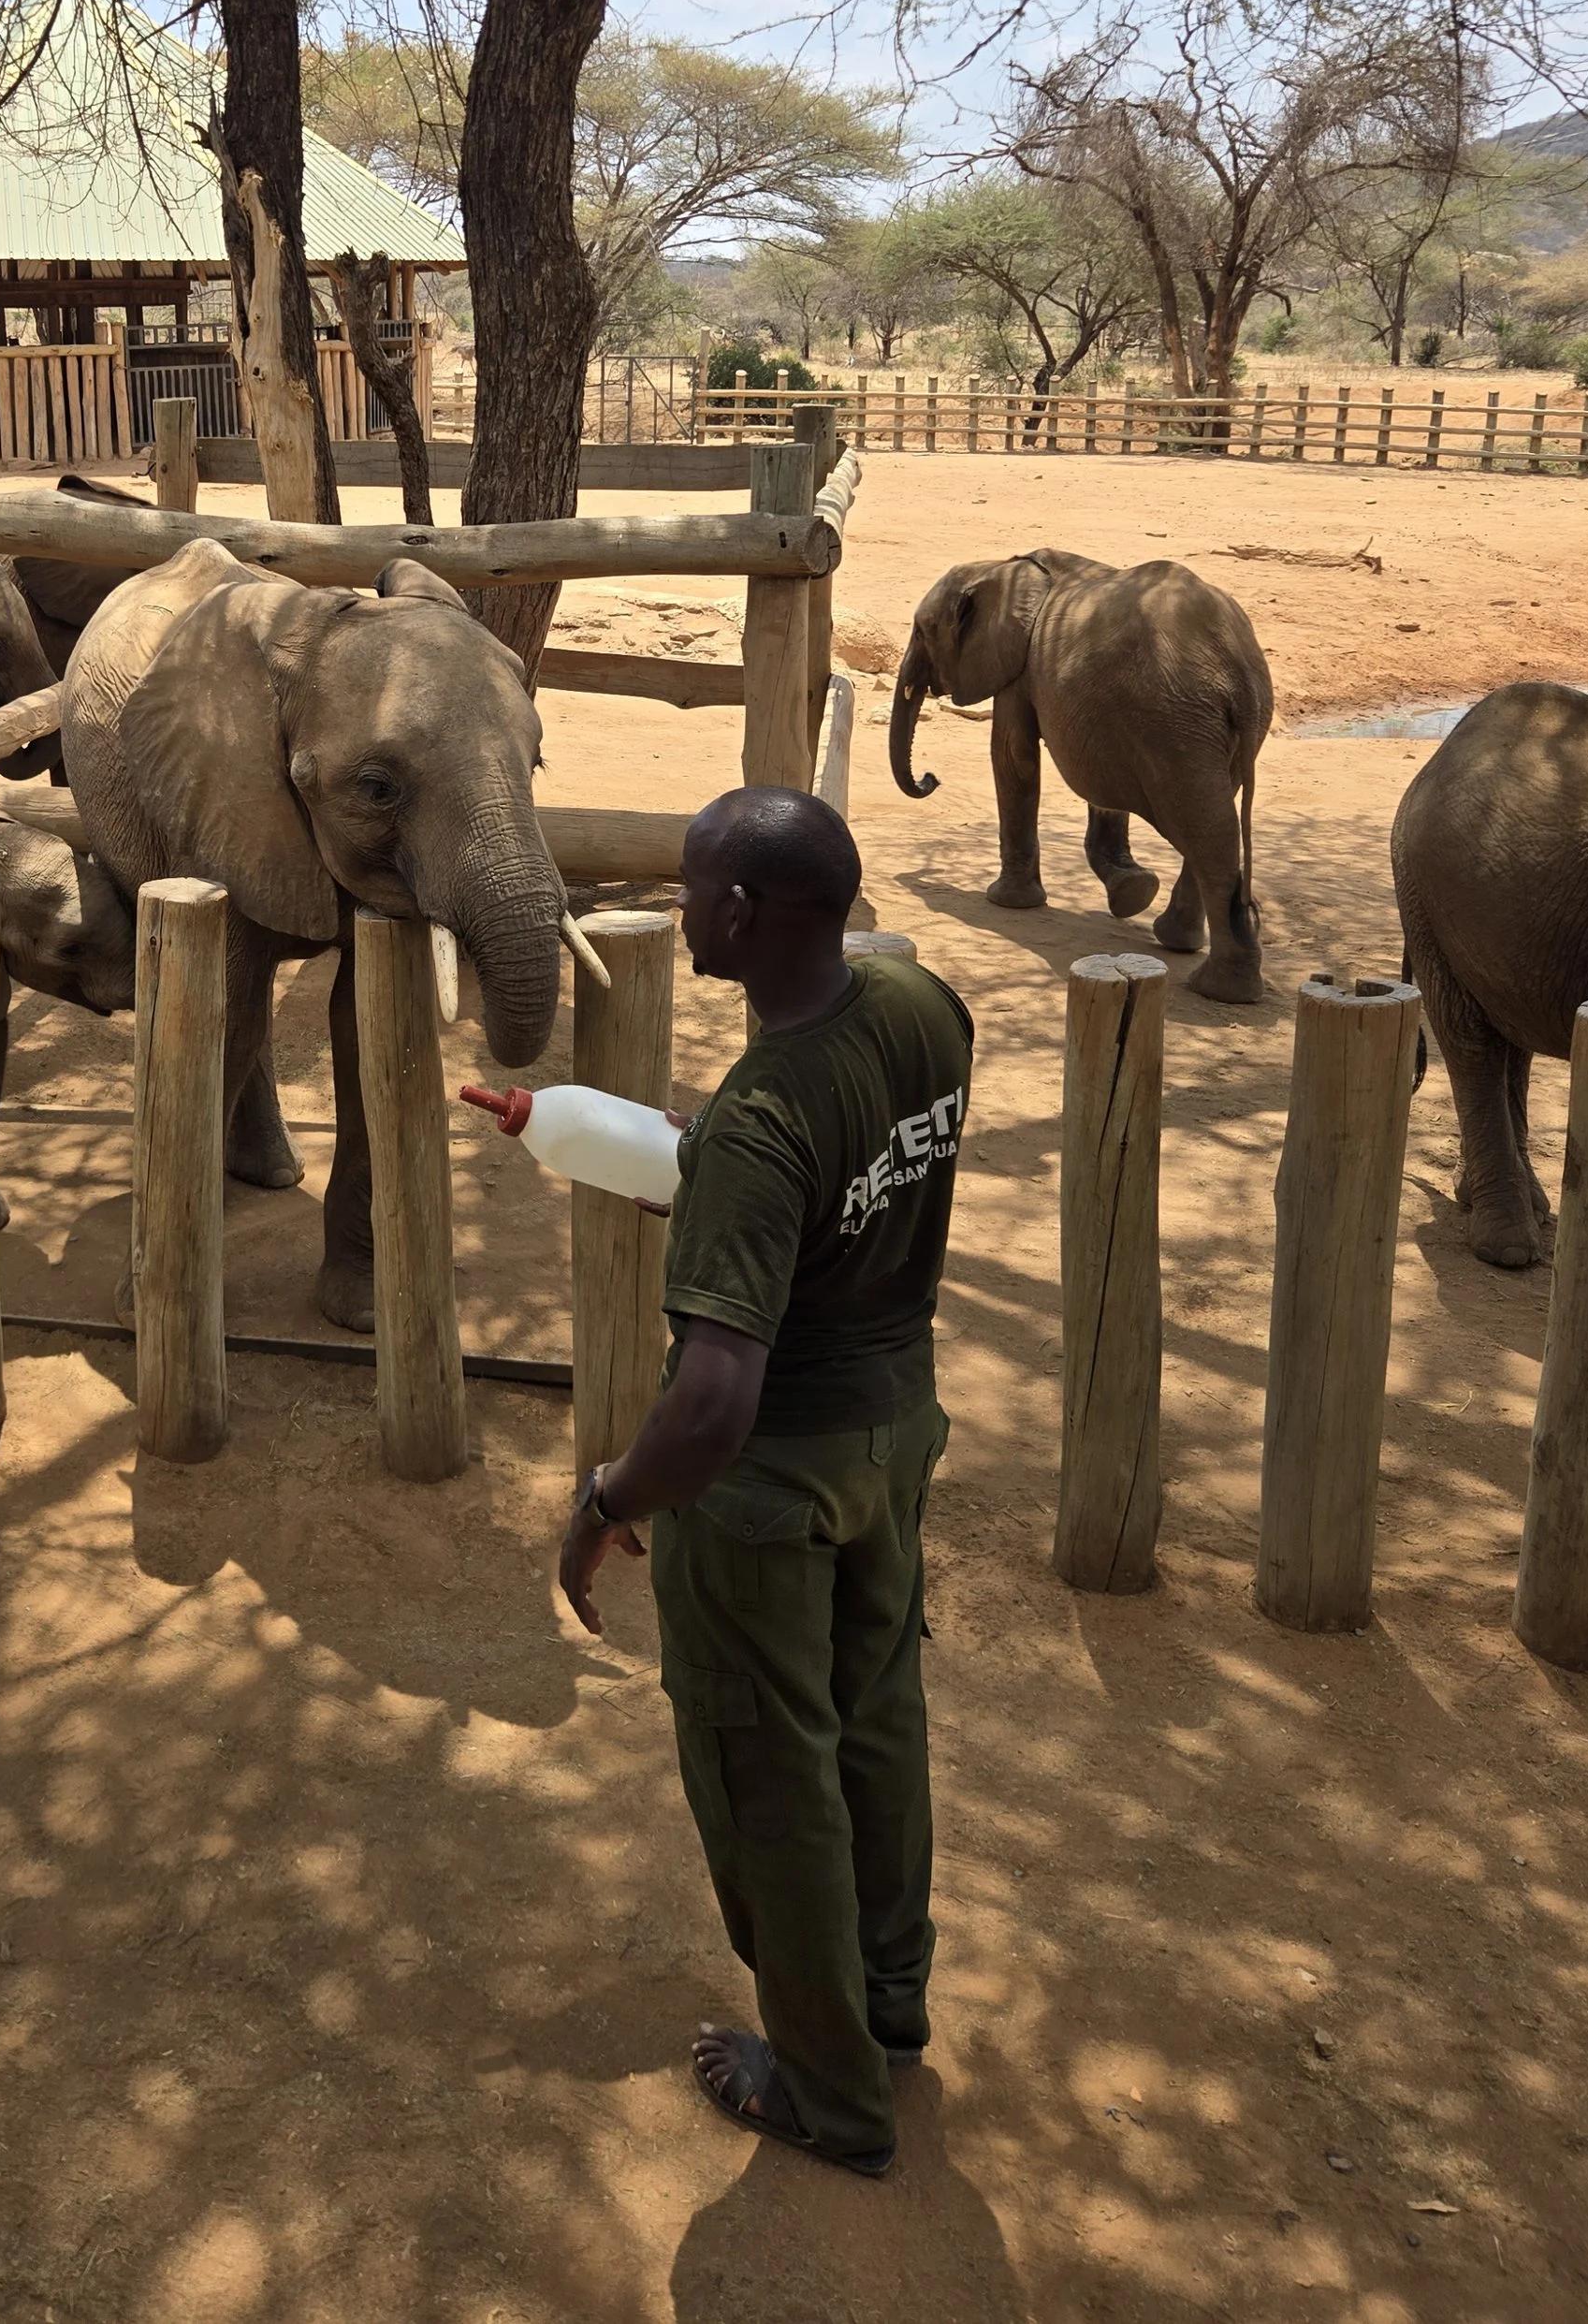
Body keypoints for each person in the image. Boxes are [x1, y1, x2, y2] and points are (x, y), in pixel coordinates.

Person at [559, 786, 973, 2179]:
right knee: (875, 1717)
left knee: (768, 1772)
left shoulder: (761, 1123)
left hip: (769, 1494)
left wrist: (610, 1498)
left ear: (738, 915)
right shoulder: (923, 1010)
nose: (681, 907)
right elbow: (840, 1170)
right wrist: (717, 1151)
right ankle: (890, 2001)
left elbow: (716, 1400)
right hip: (892, 1435)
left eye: (691, 889)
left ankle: (826, 2088)